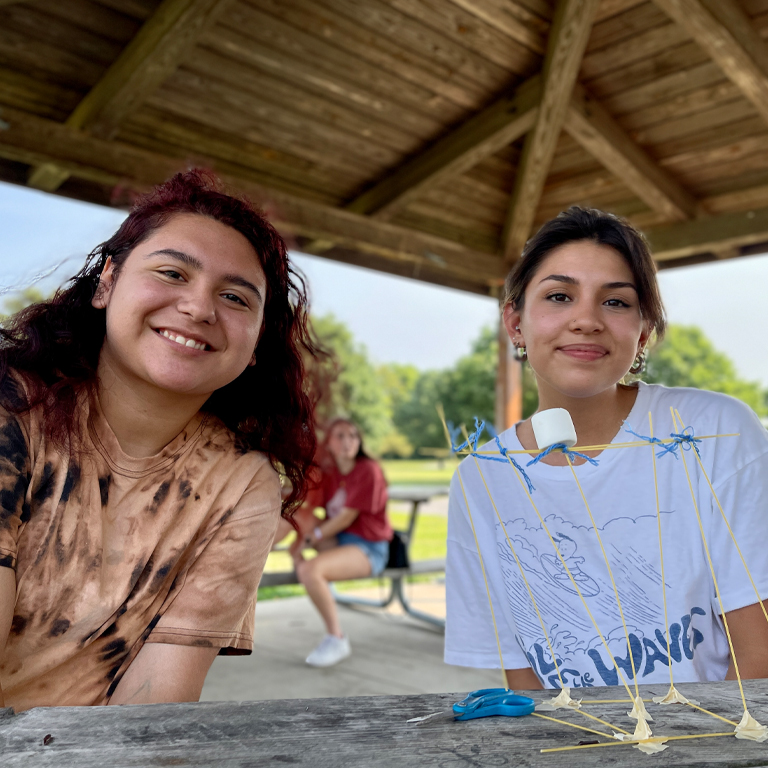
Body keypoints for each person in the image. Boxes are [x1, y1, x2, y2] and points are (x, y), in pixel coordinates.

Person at [0, 170, 317, 711]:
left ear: (258, 343)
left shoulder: (244, 485)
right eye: (172, 272)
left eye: (237, 298)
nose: (199, 308)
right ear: (106, 282)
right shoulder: (12, 407)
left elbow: (153, 707)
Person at [445, 206, 768, 690]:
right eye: (559, 296)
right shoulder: (480, 479)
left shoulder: (715, 429)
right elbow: (524, 676)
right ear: (515, 323)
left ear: (642, 332)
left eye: (616, 302)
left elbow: (758, 657)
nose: (586, 320)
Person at [279, 418, 392, 667]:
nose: (347, 441)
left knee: (311, 569)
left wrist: (310, 540)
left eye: (352, 435)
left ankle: (336, 638)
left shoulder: (367, 469)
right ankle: (255, 560)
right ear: (328, 443)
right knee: (297, 514)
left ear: (359, 442)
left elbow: (345, 518)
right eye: (340, 436)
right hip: (339, 542)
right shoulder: (330, 473)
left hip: (368, 549)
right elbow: (305, 503)